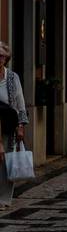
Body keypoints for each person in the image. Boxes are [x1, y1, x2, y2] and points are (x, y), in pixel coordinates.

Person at [0, 42, 28, 210]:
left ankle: (3, 199)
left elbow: (20, 103)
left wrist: (21, 126)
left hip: (8, 125)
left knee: (6, 163)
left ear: (6, 58)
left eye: (1, 56)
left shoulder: (12, 77)